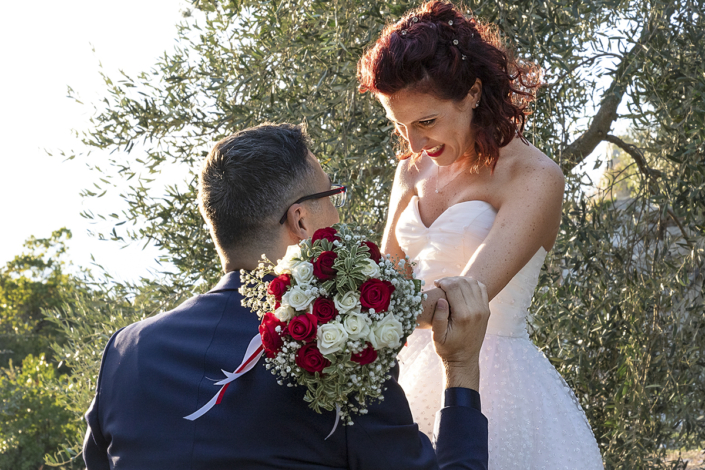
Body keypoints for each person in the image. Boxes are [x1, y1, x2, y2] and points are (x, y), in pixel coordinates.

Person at [82, 123, 492, 470]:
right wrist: (460, 367)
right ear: (300, 219)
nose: (339, 216)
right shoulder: (343, 346)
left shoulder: (124, 351)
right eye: (333, 197)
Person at [357, 1, 604, 468]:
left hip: (499, 390)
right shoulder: (411, 172)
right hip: (403, 377)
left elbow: (461, 305)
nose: (414, 144)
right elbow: (385, 276)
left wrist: (352, 303)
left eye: (426, 122)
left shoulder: (534, 177)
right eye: (400, 126)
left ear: (472, 93)